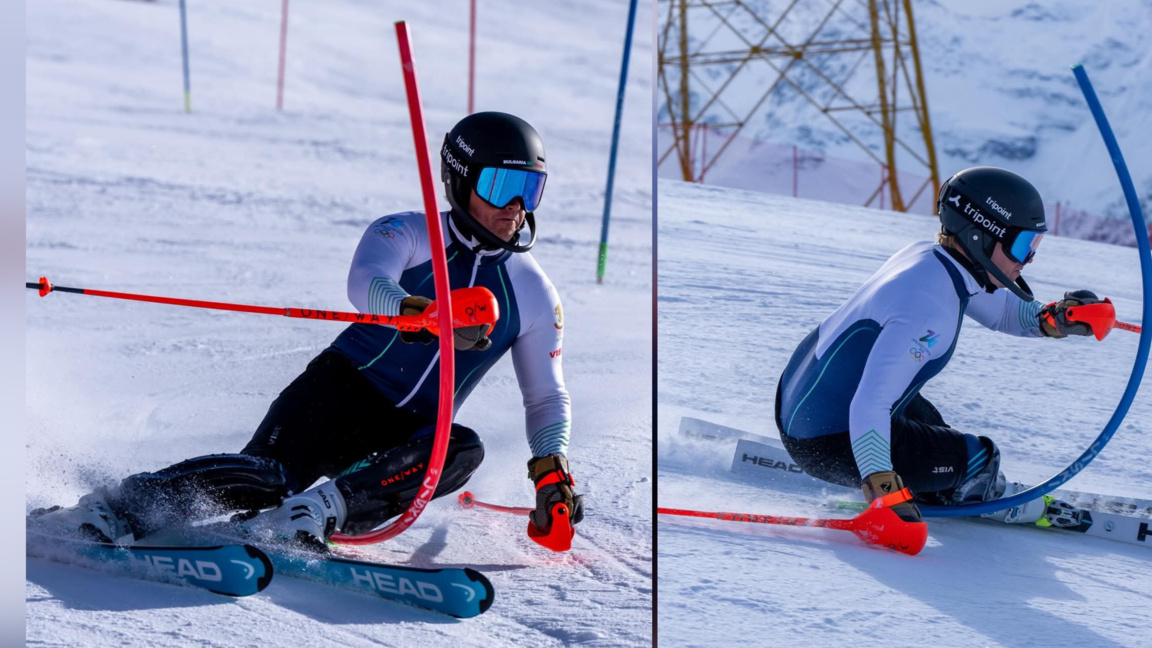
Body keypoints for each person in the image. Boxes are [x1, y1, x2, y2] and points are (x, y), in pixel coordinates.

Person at [31, 111, 584, 550]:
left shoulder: (532, 292)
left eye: (530, 189)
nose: (516, 207)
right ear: (460, 180)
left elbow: (545, 396)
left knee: (462, 449)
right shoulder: (408, 233)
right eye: (502, 185)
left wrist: (551, 472)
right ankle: (113, 509)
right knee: (266, 477)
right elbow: (365, 281)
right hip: (339, 394)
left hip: (409, 438)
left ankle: (308, 516)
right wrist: (416, 312)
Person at [774, 166, 1100, 527]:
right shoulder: (927, 308)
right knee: (978, 459)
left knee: (939, 431)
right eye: (1023, 246)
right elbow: (870, 405)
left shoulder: (934, 261)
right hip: (829, 441)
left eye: (1034, 247)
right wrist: (884, 491)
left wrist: (1057, 319)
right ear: (980, 235)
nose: (1028, 260)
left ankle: (937, 481)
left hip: (802, 406)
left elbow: (1003, 311)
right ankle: (982, 492)